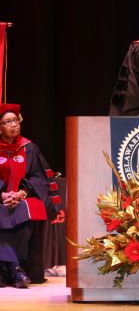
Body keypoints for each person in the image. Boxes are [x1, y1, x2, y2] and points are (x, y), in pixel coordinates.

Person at [0, 104, 61, 288]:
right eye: (8, 121)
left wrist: (20, 193)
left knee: (28, 209)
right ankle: (15, 269)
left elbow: (38, 177)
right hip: (0, 198)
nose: (14, 124)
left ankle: (15, 268)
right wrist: (2, 194)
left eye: (16, 120)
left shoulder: (29, 148)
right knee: (2, 213)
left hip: (22, 197)